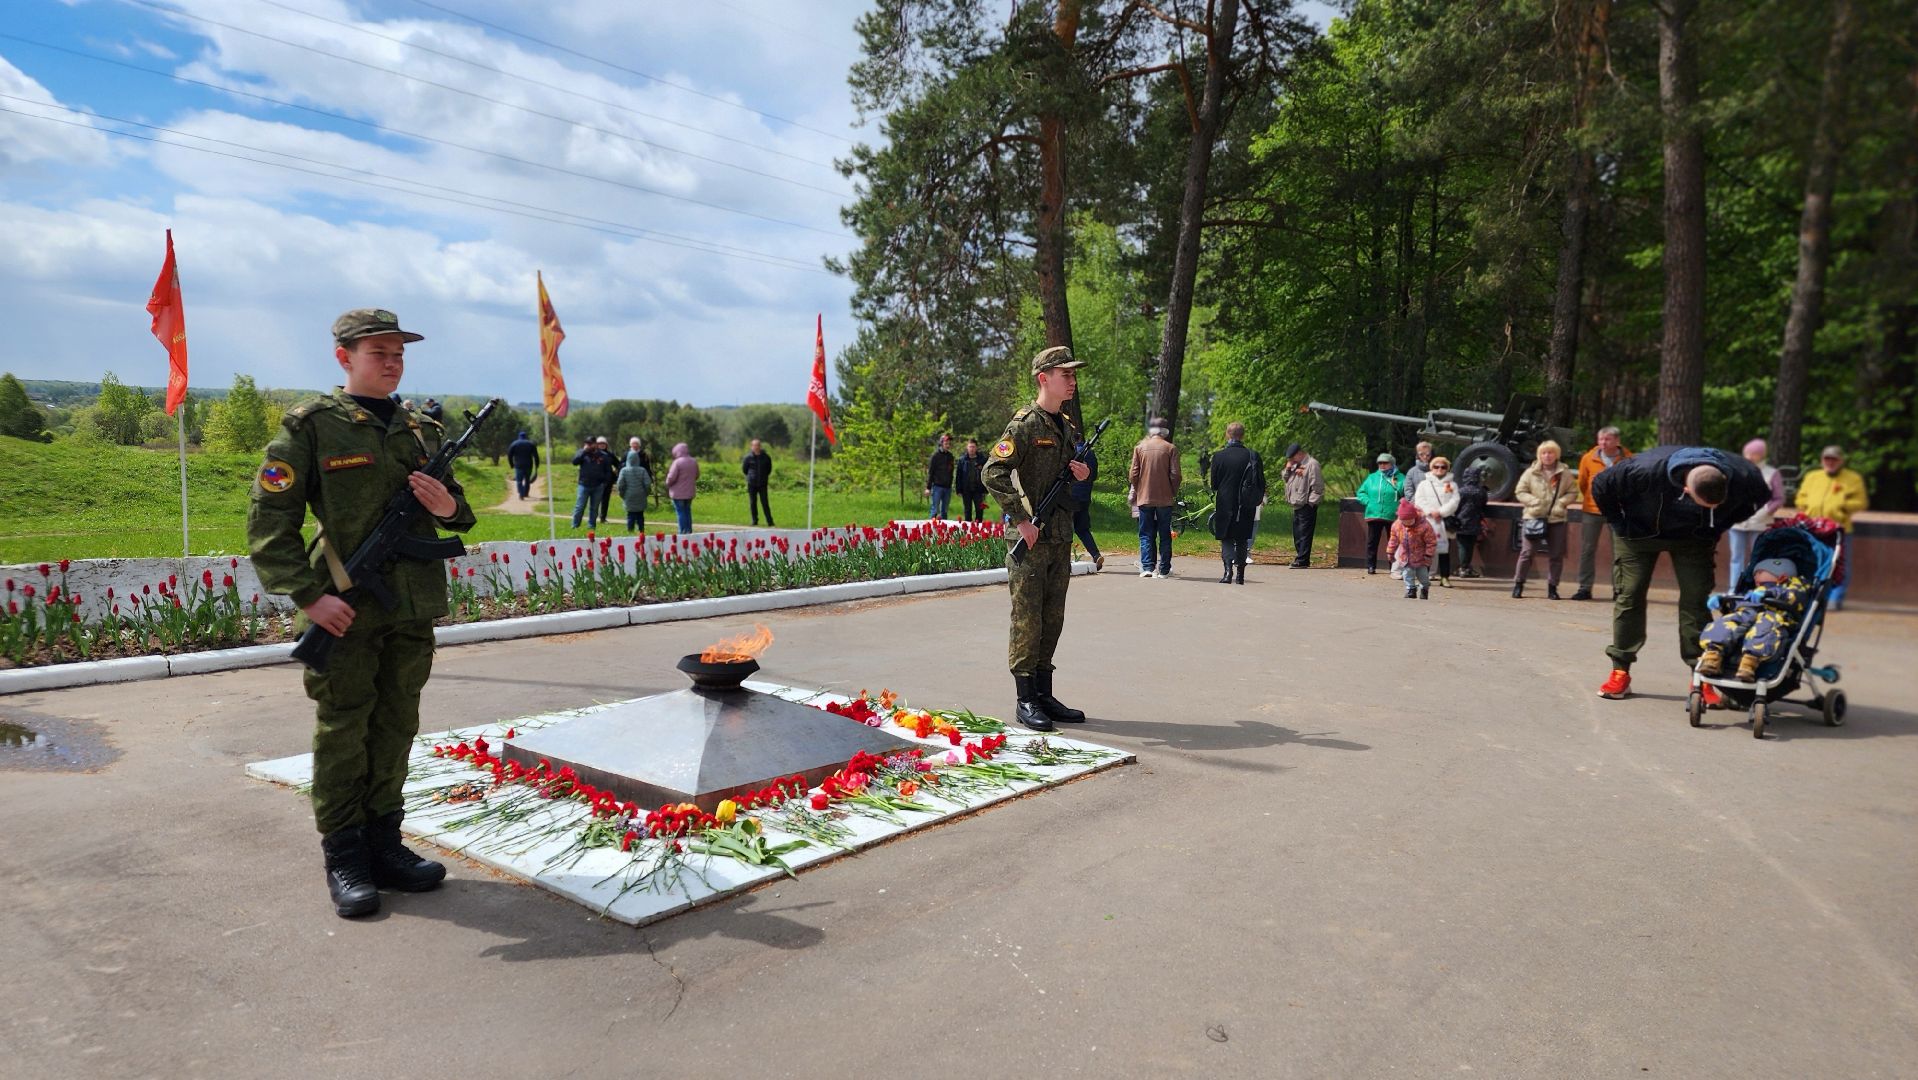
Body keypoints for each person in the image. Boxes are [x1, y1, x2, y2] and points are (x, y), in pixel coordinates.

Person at [247, 308, 475, 919]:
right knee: (344, 730)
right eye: (380, 352)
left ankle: (385, 843)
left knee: (396, 725)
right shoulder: (311, 427)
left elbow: (460, 513)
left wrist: (446, 506)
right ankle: (345, 855)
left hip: (410, 606)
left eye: (399, 352)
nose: (393, 362)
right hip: (342, 608)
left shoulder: (420, 429)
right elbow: (270, 523)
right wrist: (308, 597)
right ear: (344, 357)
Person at [1591, 445, 1770, 700]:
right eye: (1706, 505)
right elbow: (1600, 485)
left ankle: (1700, 676)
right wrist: (1619, 524)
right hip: (1637, 534)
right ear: (1685, 489)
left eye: (1716, 506)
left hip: (1695, 538)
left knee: (1696, 599)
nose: (1712, 509)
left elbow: (1761, 496)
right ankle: (1620, 670)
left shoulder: (1742, 474)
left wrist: (1720, 523)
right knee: (1629, 594)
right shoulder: (1642, 470)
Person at [982, 345, 1092, 732]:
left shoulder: (1066, 426)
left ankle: (1044, 694)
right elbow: (992, 472)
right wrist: (1020, 517)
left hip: (1058, 536)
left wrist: (1079, 474)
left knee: (1052, 617)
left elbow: (1059, 479)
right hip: (1029, 539)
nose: (1072, 381)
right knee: (1027, 619)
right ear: (1044, 378)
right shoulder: (1024, 425)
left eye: (1074, 375)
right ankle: (1025, 698)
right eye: (1066, 374)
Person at [1696, 557, 1810, 682]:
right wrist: (1723, 601)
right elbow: (1739, 602)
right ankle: (1712, 655)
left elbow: (1795, 597)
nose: (1755, 576)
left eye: (1760, 572)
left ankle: (1749, 663)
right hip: (1747, 615)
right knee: (1725, 622)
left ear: (1782, 576)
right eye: (1755, 573)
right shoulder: (1753, 591)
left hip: (1774, 616)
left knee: (1765, 627)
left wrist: (1770, 594)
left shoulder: (1793, 586)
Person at [1794, 445, 1868, 609]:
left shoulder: (1853, 478)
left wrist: (1841, 506)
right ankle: (1812, 595)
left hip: (1838, 528)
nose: (1830, 462)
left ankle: (1835, 598)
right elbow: (1800, 497)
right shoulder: (1812, 476)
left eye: (1834, 459)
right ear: (1822, 460)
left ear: (1841, 461)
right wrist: (1806, 507)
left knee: (1838, 564)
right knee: (1813, 561)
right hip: (1813, 527)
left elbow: (1860, 502)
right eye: (1827, 459)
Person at [1511, 440, 1580, 599]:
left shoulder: (1564, 473)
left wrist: (1561, 503)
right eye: (1544, 453)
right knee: (1527, 553)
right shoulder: (1531, 472)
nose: (1547, 456)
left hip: (1556, 518)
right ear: (1539, 455)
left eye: (1550, 452)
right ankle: (1518, 584)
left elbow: (1572, 492)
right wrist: (1533, 501)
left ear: (1556, 455)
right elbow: (1520, 491)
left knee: (1556, 555)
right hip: (1534, 517)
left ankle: (1552, 587)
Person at [1572, 426, 1632, 600]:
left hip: (1618, 511)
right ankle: (1584, 588)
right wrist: (1592, 499)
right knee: (1587, 550)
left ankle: (1618, 589)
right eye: (1600, 439)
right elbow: (1583, 483)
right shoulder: (1588, 458)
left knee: (1619, 552)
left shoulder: (1628, 459)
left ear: (1617, 441)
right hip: (1592, 511)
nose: (1603, 443)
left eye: (1607, 439)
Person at [1207, 422, 1265, 584]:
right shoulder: (1253, 455)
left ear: (1227, 434)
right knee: (1242, 539)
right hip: (1246, 503)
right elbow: (1261, 481)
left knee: (1226, 538)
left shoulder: (1219, 456)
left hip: (1225, 502)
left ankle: (1227, 572)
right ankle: (1240, 575)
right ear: (1243, 435)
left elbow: (1214, 484)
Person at [1727, 438, 1786, 591]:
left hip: (1760, 522)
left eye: (1754, 454)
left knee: (1758, 557)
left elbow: (1779, 498)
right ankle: (1734, 588)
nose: (1749, 457)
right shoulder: (1736, 470)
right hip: (1737, 521)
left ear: (1761, 455)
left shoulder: (1772, 473)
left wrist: (1766, 511)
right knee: (1736, 557)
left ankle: (1756, 588)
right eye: (1747, 453)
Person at [1128, 417, 1181, 578]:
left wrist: (1139, 489)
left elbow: (1133, 474)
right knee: (1164, 534)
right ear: (1165, 432)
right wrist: (1172, 491)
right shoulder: (1171, 448)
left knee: (1146, 533)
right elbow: (1175, 475)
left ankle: (1147, 567)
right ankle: (1164, 569)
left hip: (1145, 498)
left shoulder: (1139, 448)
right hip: (1165, 499)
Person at [1412, 454, 1460, 586]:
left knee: (1445, 550)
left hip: (1444, 521)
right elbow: (1419, 500)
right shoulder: (1424, 484)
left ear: (1447, 468)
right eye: (1436, 466)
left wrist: (1441, 512)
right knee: (1426, 550)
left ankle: (1445, 577)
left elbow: (1455, 501)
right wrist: (1430, 512)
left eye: (1443, 467)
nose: (1439, 469)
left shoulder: (1452, 485)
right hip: (1428, 521)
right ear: (1431, 468)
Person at [1356, 452, 1404, 574]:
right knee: (1372, 542)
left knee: (1393, 542)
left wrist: (1401, 505)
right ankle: (1371, 566)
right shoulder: (1372, 477)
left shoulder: (1401, 478)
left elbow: (1406, 494)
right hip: (1374, 513)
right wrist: (1368, 502)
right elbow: (1361, 492)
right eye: (1380, 463)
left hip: (1393, 515)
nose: (1382, 465)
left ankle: (1394, 567)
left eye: (1385, 463)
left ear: (1392, 464)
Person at [1280, 443, 1323, 568]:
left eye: (1293, 457)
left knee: (1305, 534)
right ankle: (1300, 556)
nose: (1291, 460)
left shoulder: (1312, 464)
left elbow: (1318, 487)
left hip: (1307, 505)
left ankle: (1302, 560)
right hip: (1297, 504)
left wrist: (1311, 503)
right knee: (1298, 533)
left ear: (1299, 453)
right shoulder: (1296, 464)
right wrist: (1288, 468)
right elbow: (1286, 479)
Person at [1386, 499, 1437, 599]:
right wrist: (1390, 552)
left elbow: (1431, 541)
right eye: (1404, 521)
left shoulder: (1424, 525)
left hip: (1422, 557)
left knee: (1423, 576)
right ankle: (1410, 589)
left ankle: (1424, 588)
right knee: (1407, 574)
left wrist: (1429, 554)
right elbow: (1393, 540)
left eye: (1410, 520)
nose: (1408, 523)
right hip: (1406, 557)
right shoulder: (1397, 525)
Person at [1068, 434, 1104, 570]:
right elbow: (1093, 475)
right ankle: (1095, 554)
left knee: (1065, 530)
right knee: (1083, 529)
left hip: (1070, 496)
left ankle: (1063, 559)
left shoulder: (1069, 452)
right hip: (1084, 496)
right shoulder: (1090, 453)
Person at [570, 436, 616, 530]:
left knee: (594, 508)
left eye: (590, 444)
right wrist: (584, 451)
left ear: (595, 444)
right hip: (584, 485)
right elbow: (574, 462)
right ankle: (575, 526)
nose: (588, 445)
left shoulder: (603, 455)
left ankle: (591, 526)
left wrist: (605, 482)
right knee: (580, 506)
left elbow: (608, 471)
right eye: (587, 443)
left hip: (598, 486)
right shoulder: (582, 453)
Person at [1452, 464, 1489, 577]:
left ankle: (1463, 568)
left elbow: (1455, 506)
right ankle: (1466, 567)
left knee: (1462, 546)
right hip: (1475, 521)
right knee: (1470, 546)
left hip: (1461, 522)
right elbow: (1484, 504)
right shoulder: (1481, 491)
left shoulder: (1461, 491)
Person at [665, 441, 699, 534]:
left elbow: (671, 477)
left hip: (678, 493)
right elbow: (697, 475)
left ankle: (682, 531)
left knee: (680, 512)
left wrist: (667, 483)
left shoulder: (677, 462)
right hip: (690, 492)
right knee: (687, 511)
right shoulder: (693, 461)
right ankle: (689, 530)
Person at [742, 437, 775, 527]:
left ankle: (770, 521)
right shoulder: (748, 458)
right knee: (753, 502)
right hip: (752, 484)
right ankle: (754, 521)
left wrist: (764, 477)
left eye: (757, 445)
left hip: (763, 483)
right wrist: (751, 477)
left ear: (760, 446)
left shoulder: (766, 457)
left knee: (765, 502)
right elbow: (745, 470)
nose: (756, 447)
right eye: (754, 445)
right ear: (751, 447)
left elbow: (769, 469)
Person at [955, 438, 990, 522]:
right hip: (966, 489)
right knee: (967, 510)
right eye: (970, 447)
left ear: (976, 448)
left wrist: (986, 489)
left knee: (979, 509)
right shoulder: (962, 460)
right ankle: (968, 527)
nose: (971, 449)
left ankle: (979, 527)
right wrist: (958, 489)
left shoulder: (982, 459)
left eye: (973, 447)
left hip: (979, 489)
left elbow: (986, 475)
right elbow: (958, 476)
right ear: (967, 447)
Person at [616, 454, 653, 533]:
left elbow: (620, 484)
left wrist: (622, 494)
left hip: (628, 495)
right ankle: (641, 531)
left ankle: (630, 532)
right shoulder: (642, 470)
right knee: (640, 514)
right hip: (641, 495)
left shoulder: (624, 470)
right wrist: (646, 493)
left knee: (630, 514)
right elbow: (647, 484)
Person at [925, 433, 955, 520]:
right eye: (946, 443)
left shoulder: (950, 456)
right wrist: (928, 488)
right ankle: (931, 527)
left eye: (949, 444)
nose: (948, 445)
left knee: (944, 511)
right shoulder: (935, 456)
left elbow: (951, 472)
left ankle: (944, 528)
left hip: (947, 487)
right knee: (934, 509)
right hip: (937, 486)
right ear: (941, 444)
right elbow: (931, 472)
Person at [505, 428, 538, 500]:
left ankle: (521, 494)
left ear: (519, 437)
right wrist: (537, 465)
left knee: (519, 480)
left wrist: (511, 464)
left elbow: (509, 455)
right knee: (527, 480)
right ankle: (526, 493)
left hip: (518, 465)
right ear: (525, 437)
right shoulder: (531, 444)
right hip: (528, 465)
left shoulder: (514, 444)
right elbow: (536, 456)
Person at [1402, 441, 1435, 506]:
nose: (1425, 457)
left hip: (1434, 507)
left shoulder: (1437, 469)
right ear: (1417, 455)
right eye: (1421, 454)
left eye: (1428, 454)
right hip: (1417, 507)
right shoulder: (1411, 472)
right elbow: (1408, 491)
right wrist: (1416, 504)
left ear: (1431, 455)